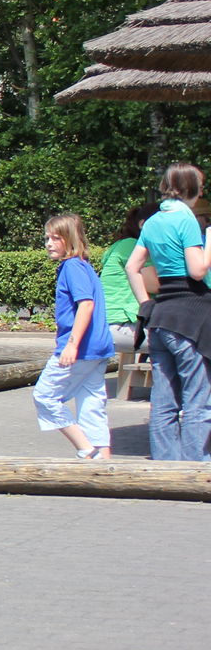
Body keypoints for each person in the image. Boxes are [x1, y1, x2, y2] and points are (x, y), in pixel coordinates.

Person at [125, 163, 211, 461]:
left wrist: (145, 303)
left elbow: (132, 267)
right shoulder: (186, 219)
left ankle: (165, 466)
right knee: (198, 400)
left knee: (164, 402)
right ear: (192, 188)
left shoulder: (153, 221)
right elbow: (197, 271)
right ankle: (195, 467)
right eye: (201, 185)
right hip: (190, 318)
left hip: (161, 317)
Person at [35, 213, 114, 459]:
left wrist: (72, 344)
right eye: (47, 238)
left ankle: (86, 450)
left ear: (70, 239)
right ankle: (104, 463)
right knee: (91, 402)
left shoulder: (71, 267)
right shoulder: (83, 265)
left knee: (45, 396)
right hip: (98, 348)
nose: (49, 243)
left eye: (55, 238)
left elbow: (86, 305)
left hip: (81, 348)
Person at [99, 202, 159, 355]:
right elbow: (154, 285)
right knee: (186, 339)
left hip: (112, 324)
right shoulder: (131, 246)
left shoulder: (121, 245)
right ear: (143, 225)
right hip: (121, 325)